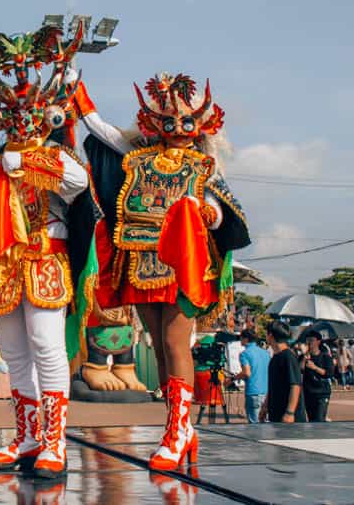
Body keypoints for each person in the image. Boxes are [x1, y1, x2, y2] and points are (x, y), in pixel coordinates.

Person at [0, 23, 103, 479]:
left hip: (45, 261)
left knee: (47, 347)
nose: (19, 123)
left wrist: (32, 161)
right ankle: (29, 435)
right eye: (11, 118)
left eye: (27, 117)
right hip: (4, 267)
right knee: (14, 352)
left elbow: (79, 188)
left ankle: (55, 442)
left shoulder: (59, 158)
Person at [78, 73, 250, 469]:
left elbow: (218, 203)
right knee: (158, 347)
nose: (177, 129)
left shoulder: (202, 165)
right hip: (140, 259)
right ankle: (178, 428)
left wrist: (210, 213)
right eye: (168, 121)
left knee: (175, 344)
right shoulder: (137, 158)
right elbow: (100, 130)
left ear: (201, 124)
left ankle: (179, 431)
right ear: (153, 123)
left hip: (182, 265)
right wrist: (74, 85)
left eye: (186, 122)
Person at [261, 321, 306, 423]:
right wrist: (265, 406)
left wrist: (290, 412)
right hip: (276, 414)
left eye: (266, 333)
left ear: (270, 335)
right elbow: (273, 386)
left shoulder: (288, 357)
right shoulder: (275, 357)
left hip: (289, 417)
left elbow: (295, 386)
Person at [234, 329, 269, 423]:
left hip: (253, 392)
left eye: (241, 338)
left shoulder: (244, 354)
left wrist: (234, 378)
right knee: (266, 424)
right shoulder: (265, 353)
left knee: (254, 425)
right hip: (266, 392)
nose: (240, 340)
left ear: (246, 339)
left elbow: (247, 373)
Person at [301, 330, 334, 422]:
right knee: (311, 420)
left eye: (311, 340)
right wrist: (304, 359)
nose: (309, 342)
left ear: (318, 341)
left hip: (322, 393)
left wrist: (314, 367)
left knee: (319, 419)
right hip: (308, 392)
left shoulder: (325, 357)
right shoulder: (303, 356)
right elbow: (299, 370)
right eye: (307, 340)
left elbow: (329, 373)